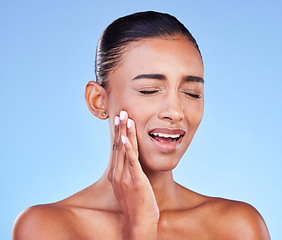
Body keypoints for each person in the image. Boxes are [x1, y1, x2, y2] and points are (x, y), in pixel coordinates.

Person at [12, 11, 270, 240]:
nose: (176, 112)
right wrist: (141, 225)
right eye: (149, 90)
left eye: (192, 93)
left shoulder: (238, 227)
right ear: (98, 101)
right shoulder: (47, 227)